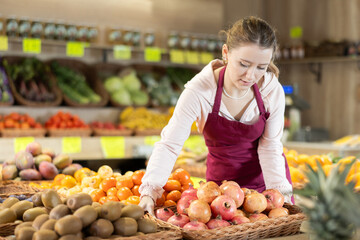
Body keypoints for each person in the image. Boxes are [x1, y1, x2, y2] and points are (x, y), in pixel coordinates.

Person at [139, 16, 294, 215]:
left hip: (265, 189)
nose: (250, 76)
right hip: (218, 193)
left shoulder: (271, 91)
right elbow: (170, 144)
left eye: (261, 68)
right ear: (226, 53)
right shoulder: (200, 91)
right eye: (244, 64)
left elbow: (270, 147)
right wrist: (149, 191)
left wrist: (280, 196)